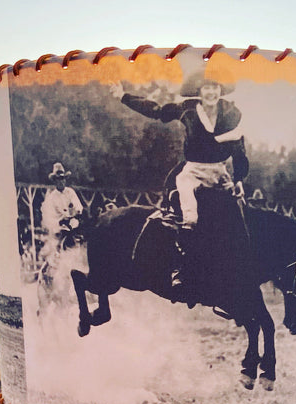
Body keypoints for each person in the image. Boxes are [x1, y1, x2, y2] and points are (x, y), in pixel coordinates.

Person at [109, 71, 248, 294]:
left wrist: (240, 178)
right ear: (199, 92)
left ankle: (236, 271)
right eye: (206, 87)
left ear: (221, 90)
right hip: (192, 171)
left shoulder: (232, 114)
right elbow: (156, 110)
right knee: (189, 216)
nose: (211, 92)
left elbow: (239, 149)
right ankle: (180, 269)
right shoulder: (187, 110)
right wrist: (124, 96)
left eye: (215, 87)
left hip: (221, 173)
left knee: (237, 215)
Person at [40, 162, 84, 261]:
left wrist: (75, 213)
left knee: (79, 230)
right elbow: (49, 216)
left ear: (65, 180)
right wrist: (60, 221)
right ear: (55, 181)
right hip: (59, 226)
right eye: (58, 179)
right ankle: (58, 258)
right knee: (57, 241)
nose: (61, 182)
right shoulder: (51, 197)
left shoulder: (70, 192)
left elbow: (78, 207)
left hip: (72, 223)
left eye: (62, 179)